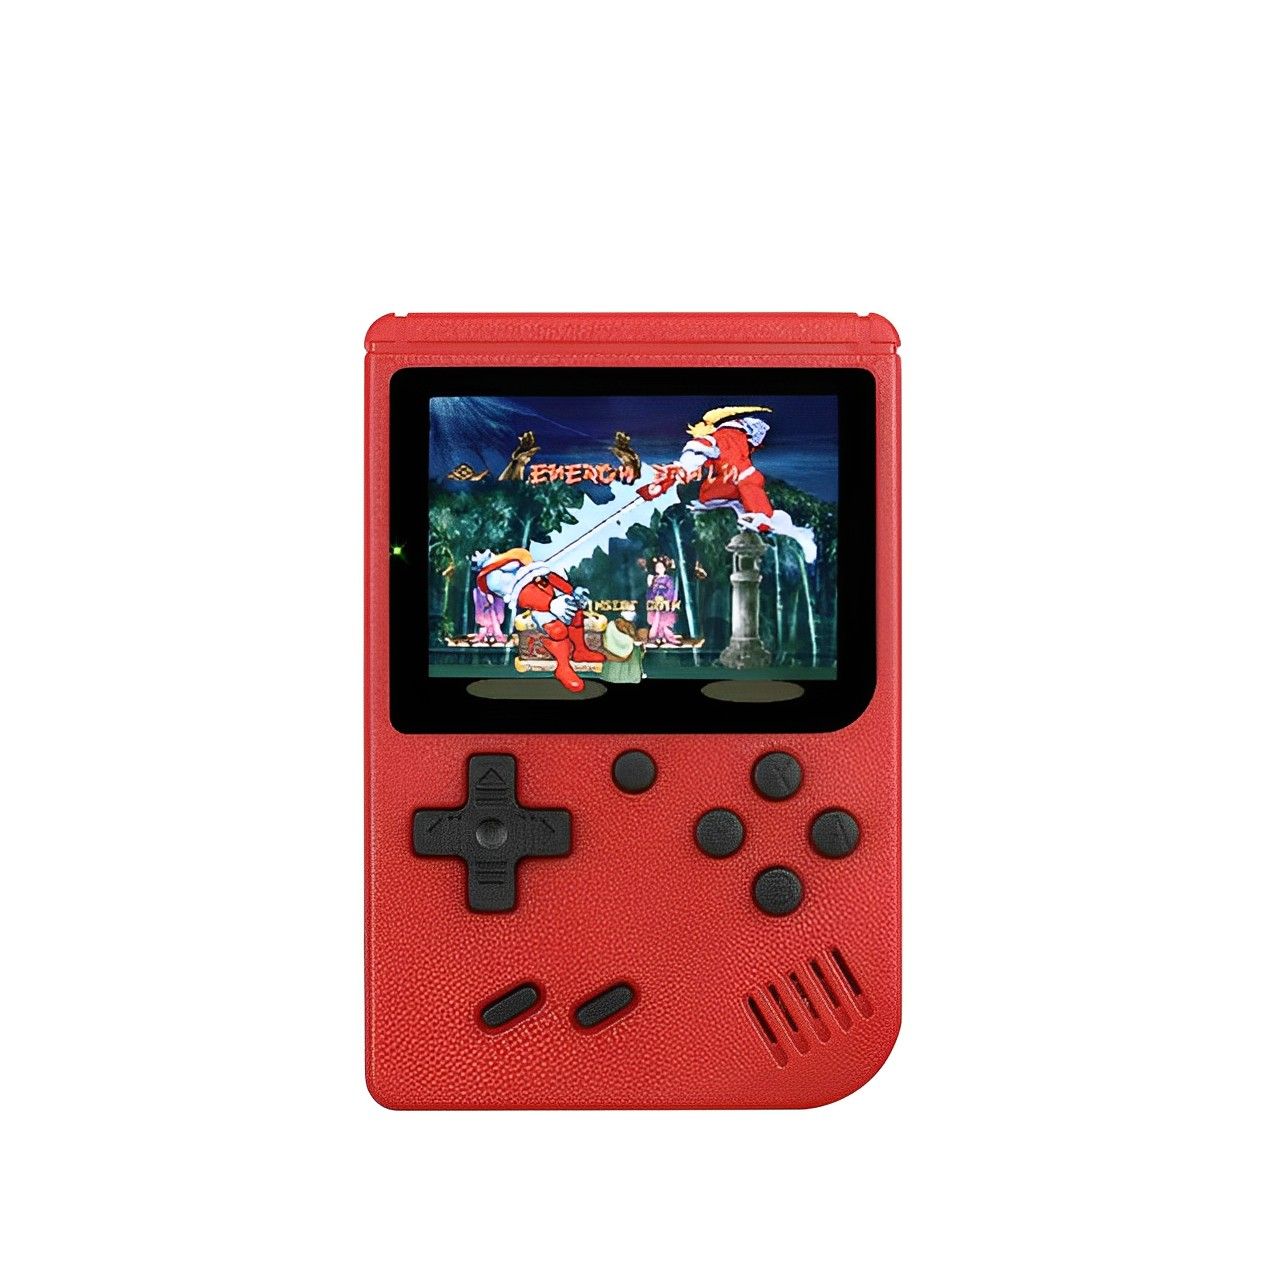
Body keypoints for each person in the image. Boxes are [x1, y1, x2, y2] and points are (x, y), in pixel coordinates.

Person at [645, 557, 680, 645]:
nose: (659, 568)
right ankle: (656, 637)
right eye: (657, 567)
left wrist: (663, 594)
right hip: (655, 603)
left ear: (664, 568)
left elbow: (671, 590)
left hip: (665, 603)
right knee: (656, 620)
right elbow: (650, 592)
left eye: (661, 566)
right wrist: (651, 586)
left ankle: (666, 637)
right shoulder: (654, 579)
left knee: (664, 621)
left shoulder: (668, 579)